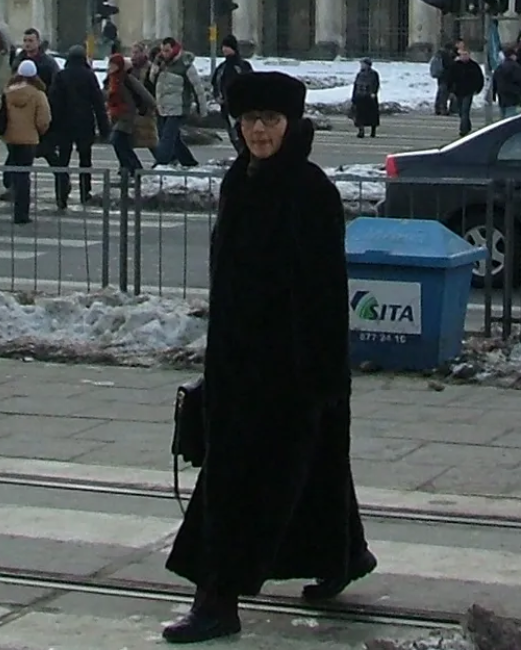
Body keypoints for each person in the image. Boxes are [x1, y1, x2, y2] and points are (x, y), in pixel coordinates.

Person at [162, 71, 374, 643]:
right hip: (237, 358)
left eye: (271, 121)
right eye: (250, 121)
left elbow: (326, 287)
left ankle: (217, 600)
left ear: (291, 125)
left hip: (287, 368)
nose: (259, 131)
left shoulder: (308, 189)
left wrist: (322, 374)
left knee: (239, 485)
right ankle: (344, 554)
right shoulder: (241, 179)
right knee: (314, 467)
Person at [49, 46, 110, 210]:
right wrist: (104, 128)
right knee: (85, 160)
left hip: (64, 124)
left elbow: (53, 102)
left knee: (63, 161)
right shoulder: (89, 76)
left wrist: (51, 126)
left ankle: (61, 195)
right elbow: (98, 104)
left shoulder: (61, 75)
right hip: (84, 123)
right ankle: (85, 191)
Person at [0, 60, 53, 224]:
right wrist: (38, 132)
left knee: (16, 172)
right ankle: (22, 213)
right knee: (24, 176)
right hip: (29, 139)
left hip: (10, 138)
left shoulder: (8, 92)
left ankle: (14, 201)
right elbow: (44, 119)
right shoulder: (38, 94)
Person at [154, 40, 205, 168]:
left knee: (167, 137)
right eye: (162, 51)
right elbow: (153, 81)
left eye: (167, 50)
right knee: (171, 137)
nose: (164, 54)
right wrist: (155, 67)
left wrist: (202, 109)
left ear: (174, 49)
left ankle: (161, 162)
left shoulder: (185, 64)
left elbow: (197, 88)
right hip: (163, 106)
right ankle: (188, 162)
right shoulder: (162, 64)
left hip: (178, 107)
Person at [106, 51, 155, 175]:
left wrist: (153, 107)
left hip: (127, 115)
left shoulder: (126, 78)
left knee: (116, 140)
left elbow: (143, 93)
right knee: (123, 143)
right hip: (116, 116)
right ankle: (129, 167)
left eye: (113, 65)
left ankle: (133, 167)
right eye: (110, 65)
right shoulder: (110, 80)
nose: (110, 68)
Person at [210, 36, 252, 151]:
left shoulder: (242, 66)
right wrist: (217, 97)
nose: (224, 49)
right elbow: (215, 83)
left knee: (243, 134)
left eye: (227, 47)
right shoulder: (221, 68)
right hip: (226, 106)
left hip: (241, 107)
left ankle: (246, 156)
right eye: (223, 47)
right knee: (233, 135)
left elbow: (250, 83)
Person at [446, 43, 485, 137]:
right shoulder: (455, 65)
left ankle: (463, 130)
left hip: (468, 91)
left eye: (466, 55)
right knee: (460, 111)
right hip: (458, 91)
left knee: (465, 110)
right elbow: (449, 78)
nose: (464, 57)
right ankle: (467, 125)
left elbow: (479, 78)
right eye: (463, 55)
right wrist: (450, 89)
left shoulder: (474, 66)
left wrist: (478, 89)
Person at [350, 57, 381, 139]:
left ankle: (373, 131)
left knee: (371, 115)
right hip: (360, 96)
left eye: (363, 64)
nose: (362, 66)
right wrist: (354, 96)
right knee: (359, 115)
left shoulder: (373, 74)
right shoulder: (359, 74)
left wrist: (374, 93)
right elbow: (355, 85)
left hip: (369, 97)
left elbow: (376, 84)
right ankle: (361, 131)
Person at [492, 45, 521, 116]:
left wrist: (494, 93)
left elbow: (495, 80)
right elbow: (520, 81)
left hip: (501, 94)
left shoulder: (499, 67)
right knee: (511, 116)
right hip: (512, 94)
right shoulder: (516, 66)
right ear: (512, 55)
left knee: (503, 116)